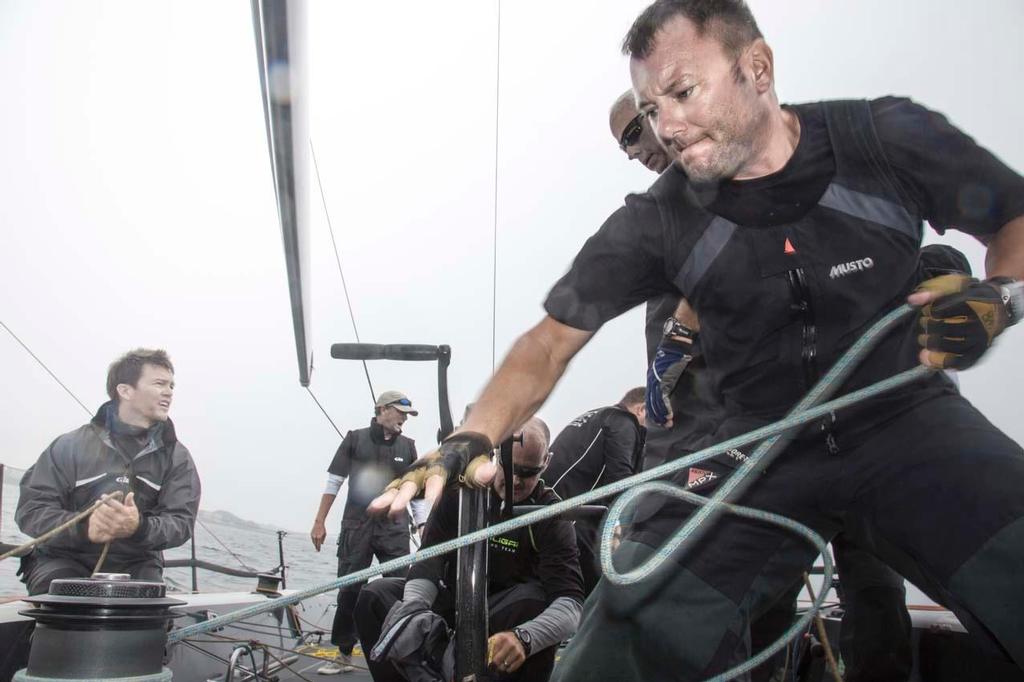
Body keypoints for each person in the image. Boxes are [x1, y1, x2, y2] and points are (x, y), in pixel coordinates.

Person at [372, 0, 1024, 679]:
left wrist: (1000, 298)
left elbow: (1014, 215)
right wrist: (474, 434)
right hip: (751, 456)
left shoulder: (885, 136)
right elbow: (548, 342)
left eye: (682, 92)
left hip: (906, 422)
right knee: (616, 647)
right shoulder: (657, 220)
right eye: (650, 111)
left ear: (758, 67)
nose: (668, 127)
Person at [616, 90, 978, 682]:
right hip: (746, 455)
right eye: (626, 143)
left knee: (873, 584)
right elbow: (676, 397)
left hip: (848, 435)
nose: (635, 150)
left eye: (637, 129)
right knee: (761, 596)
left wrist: (939, 278)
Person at [355, 418, 583, 682]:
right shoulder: (460, 494)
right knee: (375, 595)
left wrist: (526, 637)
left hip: (505, 618)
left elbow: (571, 603)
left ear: (547, 462)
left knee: (534, 600)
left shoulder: (552, 515)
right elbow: (430, 557)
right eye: (509, 468)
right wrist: (414, 609)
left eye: (528, 472)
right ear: (495, 455)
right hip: (452, 601)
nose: (516, 481)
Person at [15, 348, 201, 595]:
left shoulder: (178, 459)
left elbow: (180, 522)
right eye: (160, 384)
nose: (169, 392)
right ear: (125, 390)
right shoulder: (69, 445)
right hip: (62, 557)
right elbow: (31, 510)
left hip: (137, 562)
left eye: (171, 386)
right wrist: (85, 527)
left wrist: (139, 527)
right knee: (61, 597)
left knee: (148, 607)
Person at [310, 390, 423, 675]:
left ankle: (400, 653)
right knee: (349, 590)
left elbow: (418, 493)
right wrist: (320, 522)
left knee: (399, 590)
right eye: (400, 413)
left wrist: (422, 527)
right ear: (382, 409)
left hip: (394, 530)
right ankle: (343, 654)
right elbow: (334, 481)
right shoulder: (354, 438)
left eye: (407, 415)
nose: (404, 420)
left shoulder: (409, 447)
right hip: (356, 527)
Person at [545, 387, 646, 595]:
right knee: (599, 595)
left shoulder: (597, 415)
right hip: (574, 522)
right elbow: (620, 481)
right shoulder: (623, 421)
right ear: (642, 410)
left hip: (551, 512)